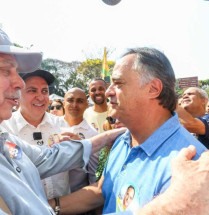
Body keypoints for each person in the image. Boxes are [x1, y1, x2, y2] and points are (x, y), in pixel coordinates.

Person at [48, 47, 208, 214]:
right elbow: (103, 190)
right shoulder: (123, 140)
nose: (108, 92)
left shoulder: (190, 166)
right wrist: (44, 208)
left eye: (118, 83)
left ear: (153, 88)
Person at [0, 28, 125, 214]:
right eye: (4, 70)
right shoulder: (8, 129)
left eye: (44, 91)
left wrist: (107, 136)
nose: (19, 83)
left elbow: (45, 159)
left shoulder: (5, 140)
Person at [1, 69, 73, 199]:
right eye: (32, 91)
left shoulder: (62, 125)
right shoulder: (5, 128)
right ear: (18, 94)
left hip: (65, 208)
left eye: (44, 91)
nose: (40, 97)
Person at [59, 87, 99, 192]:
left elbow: (93, 172)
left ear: (86, 105)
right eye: (70, 100)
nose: (74, 105)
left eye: (80, 101)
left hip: (77, 196)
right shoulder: (51, 126)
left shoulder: (93, 133)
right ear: (64, 103)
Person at [177, 87, 209, 153]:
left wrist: (167, 99)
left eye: (190, 94)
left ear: (203, 100)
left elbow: (189, 124)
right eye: (183, 95)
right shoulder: (175, 121)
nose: (185, 96)